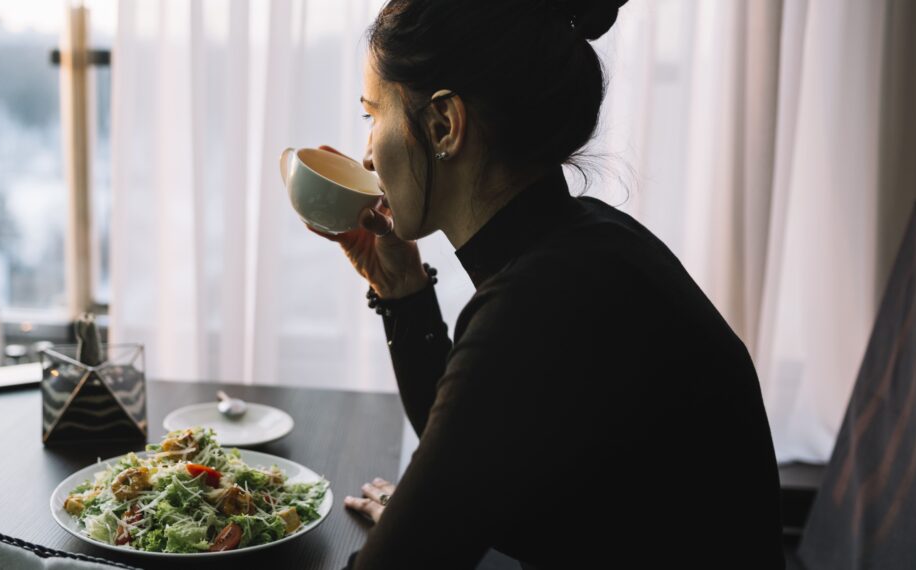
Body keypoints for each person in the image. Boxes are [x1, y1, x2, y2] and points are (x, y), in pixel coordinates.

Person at [311, 0, 785, 568]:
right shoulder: (591, 242)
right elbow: (476, 457)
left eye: (373, 116)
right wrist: (401, 287)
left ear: (444, 125)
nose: (366, 154)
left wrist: (418, 532)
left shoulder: (536, 307)